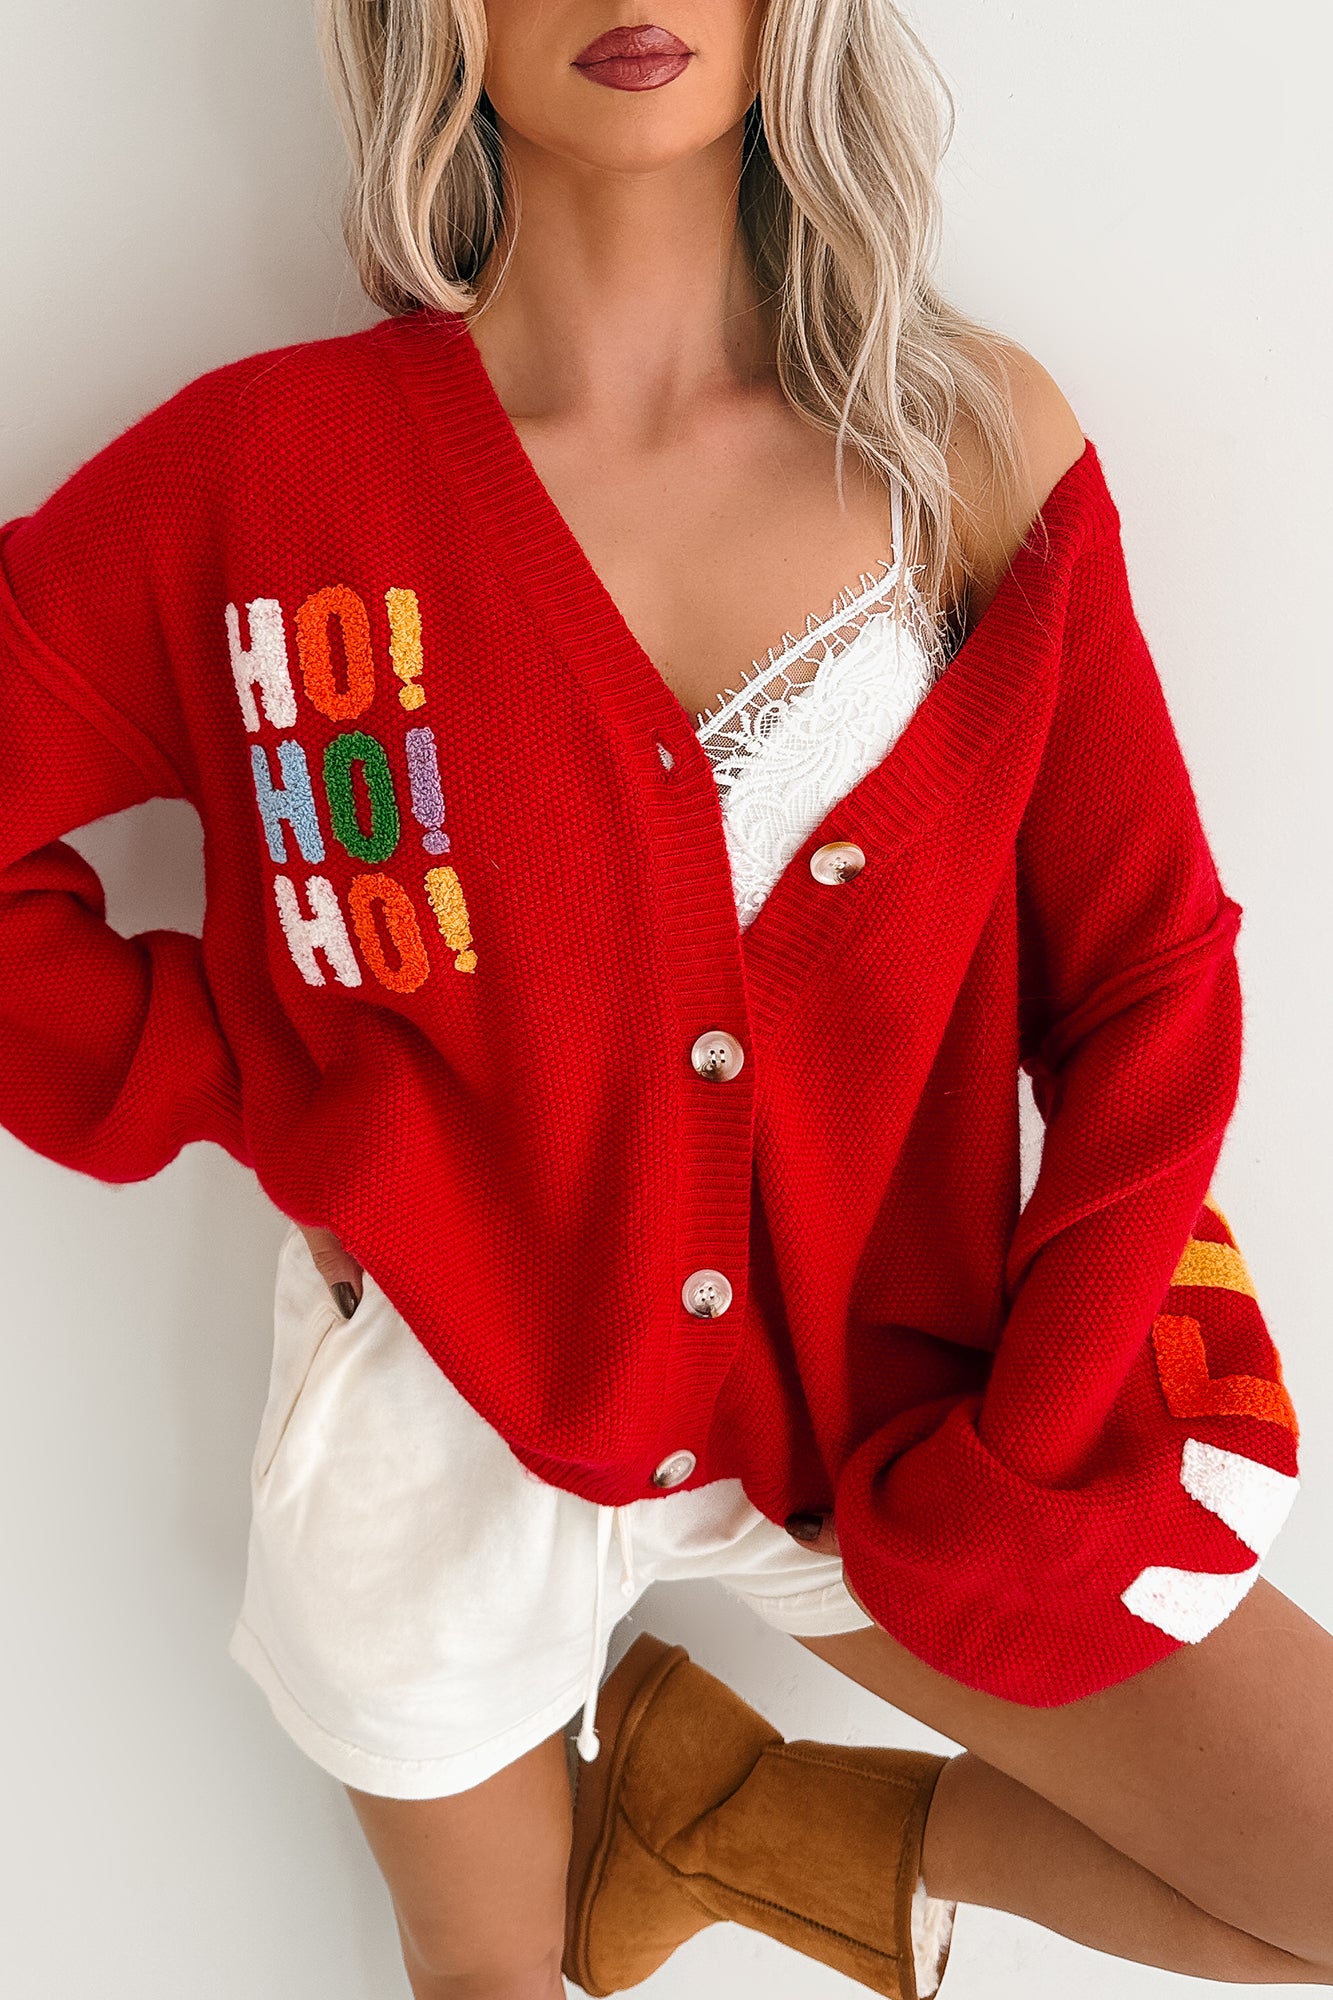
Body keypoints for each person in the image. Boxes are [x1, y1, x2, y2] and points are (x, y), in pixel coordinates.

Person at [1, 3, 1329, 1996]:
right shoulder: (267, 480)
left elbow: (1145, 980)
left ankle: (737, 1823)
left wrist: (1029, 1443)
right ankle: (692, 1827)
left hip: (880, 1427)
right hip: (438, 1420)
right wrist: (259, 1080)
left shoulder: (958, 444)